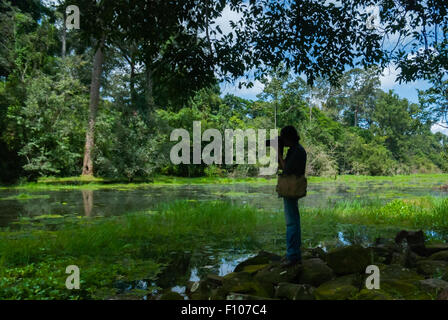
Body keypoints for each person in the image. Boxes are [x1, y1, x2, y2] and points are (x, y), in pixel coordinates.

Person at [277, 125, 307, 267]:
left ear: (288, 138)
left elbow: (286, 169)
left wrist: (278, 153)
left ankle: (293, 255)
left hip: (291, 187)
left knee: (291, 223)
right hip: (291, 187)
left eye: (283, 139)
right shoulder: (296, 149)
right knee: (293, 221)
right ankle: (293, 253)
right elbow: (283, 167)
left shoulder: (296, 151)